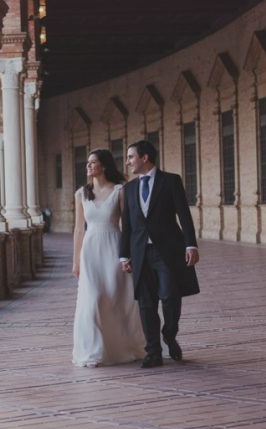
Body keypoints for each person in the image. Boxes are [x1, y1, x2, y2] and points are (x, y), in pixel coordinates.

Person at [118, 140, 200, 368]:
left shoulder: (171, 181)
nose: (128, 162)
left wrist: (190, 245)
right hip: (140, 253)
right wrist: (124, 255)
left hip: (167, 252)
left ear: (145, 158)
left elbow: (184, 215)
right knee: (145, 303)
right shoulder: (129, 188)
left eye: (131, 157)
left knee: (170, 297)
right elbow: (128, 225)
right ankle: (153, 351)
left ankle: (169, 334)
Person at [72, 149, 145, 367]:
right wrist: (76, 260)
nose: (88, 166)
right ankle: (94, 351)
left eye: (93, 162)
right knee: (92, 297)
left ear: (104, 166)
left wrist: (129, 254)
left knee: (116, 297)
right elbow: (78, 230)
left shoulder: (119, 191)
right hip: (90, 250)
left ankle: (123, 347)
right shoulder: (81, 194)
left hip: (114, 246)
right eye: (87, 162)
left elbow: (127, 225)